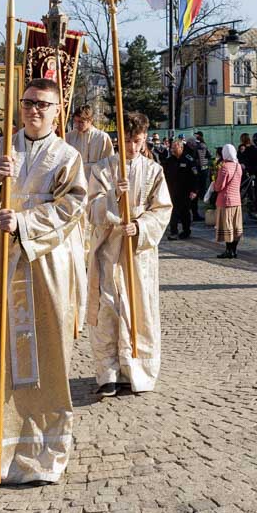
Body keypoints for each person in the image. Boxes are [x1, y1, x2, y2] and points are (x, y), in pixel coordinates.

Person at [0, 76, 88, 487]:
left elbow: (74, 204)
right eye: (28, 102)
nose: (34, 110)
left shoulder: (66, 156)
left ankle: (37, 451)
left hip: (43, 264)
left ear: (57, 110)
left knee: (44, 352)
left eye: (44, 104)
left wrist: (25, 221)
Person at [86, 110, 172, 396]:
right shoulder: (102, 169)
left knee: (138, 308)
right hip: (108, 248)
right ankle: (108, 372)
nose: (132, 147)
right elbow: (90, 208)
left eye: (137, 140)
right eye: (126, 140)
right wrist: (114, 197)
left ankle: (136, 369)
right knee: (108, 307)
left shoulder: (153, 171)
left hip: (137, 253)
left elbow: (162, 209)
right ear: (117, 139)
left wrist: (140, 225)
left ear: (144, 138)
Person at [64, 104, 115, 337]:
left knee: (91, 228)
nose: (78, 126)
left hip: (93, 188)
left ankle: (90, 258)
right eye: (76, 122)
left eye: (82, 122)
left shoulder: (102, 138)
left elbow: (109, 164)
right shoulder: (69, 137)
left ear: (90, 121)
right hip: (74, 190)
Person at [212, 143, 244, 259]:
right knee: (235, 228)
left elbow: (219, 186)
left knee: (227, 227)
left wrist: (214, 185)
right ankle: (234, 250)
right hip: (236, 200)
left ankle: (228, 250)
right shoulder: (238, 166)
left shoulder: (224, 167)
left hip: (225, 201)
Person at [161, 137, 194, 240]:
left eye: (175, 148)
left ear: (181, 147)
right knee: (173, 212)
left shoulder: (188, 160)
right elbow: (164, 176)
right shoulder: (169, 161)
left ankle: (186, 231)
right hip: (172, 191)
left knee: (185, 213)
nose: (172, 150)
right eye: (172, 148)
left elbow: (194, 177)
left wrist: (194, 191)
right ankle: (173, 232)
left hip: (185, 192)